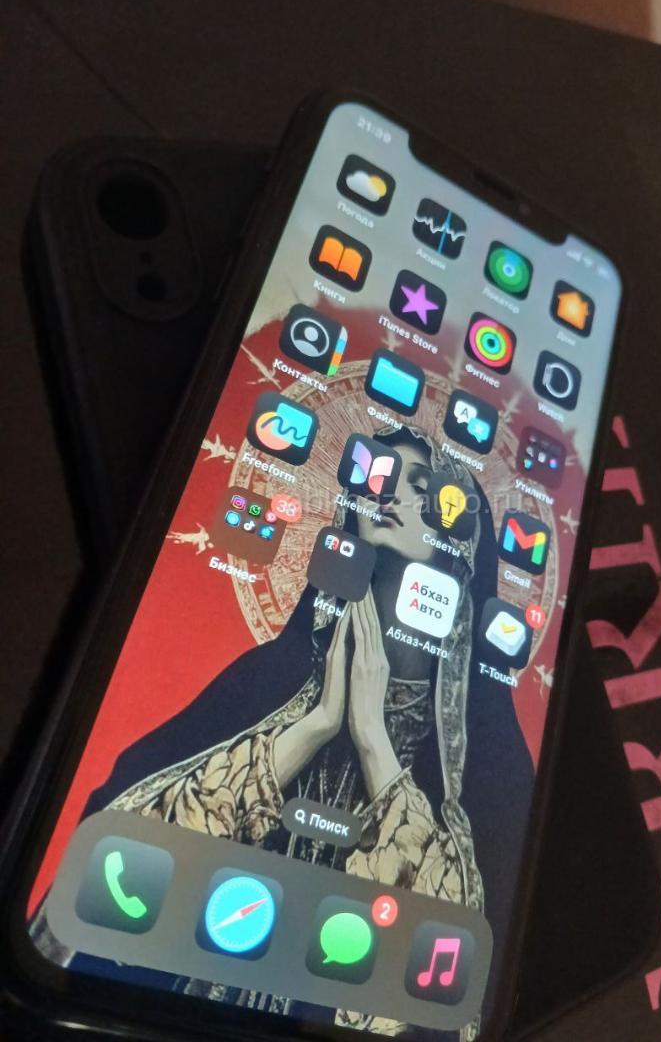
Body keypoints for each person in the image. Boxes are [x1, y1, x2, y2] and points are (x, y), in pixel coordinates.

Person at [35, 425, 534, 1038]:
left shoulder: (491, 764)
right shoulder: (269, 679)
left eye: (421, 487)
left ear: (460, 541)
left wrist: (374, 742)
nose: (388, 492)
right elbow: (121, 840)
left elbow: (454, 975)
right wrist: (315, 725)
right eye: (382, 477)